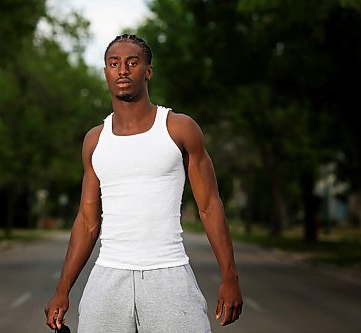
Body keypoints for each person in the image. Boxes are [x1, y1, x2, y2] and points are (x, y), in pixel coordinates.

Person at [45, 34, 242, 332]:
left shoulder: (179, 128)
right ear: (106, 72)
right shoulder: (95, 141)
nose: (122, 70)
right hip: (108, 277)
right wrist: (63, 289)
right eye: (114, 63)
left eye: (132, 63)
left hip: (170, 274)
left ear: (147, 71)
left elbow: (209, 206)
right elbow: (87, 222)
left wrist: (230, 278)